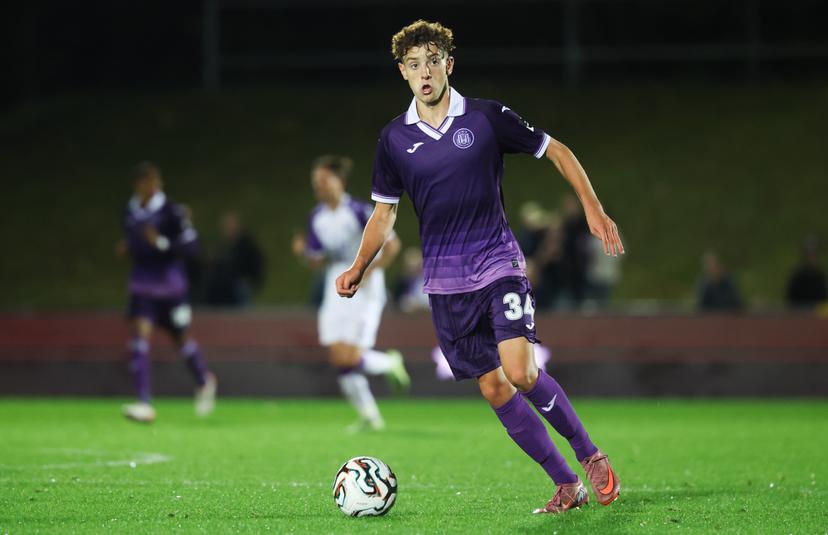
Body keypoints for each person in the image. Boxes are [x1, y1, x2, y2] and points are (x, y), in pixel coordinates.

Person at [336, 20, 624, 514]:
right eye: (413, 64)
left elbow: (557, 150)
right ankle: (566, 484)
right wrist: (360, 265)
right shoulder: (394, 139)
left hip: (498, 262)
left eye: (432, 61)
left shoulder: (487, 118)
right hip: (445, 284)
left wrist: (593, 207)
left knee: (520, 371)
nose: (423, 72)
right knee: (493, 387)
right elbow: (384, 213)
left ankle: (590, 455)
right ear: (402, 73)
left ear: (449, 64)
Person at [292, 155, 410, 432]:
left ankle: (388, 363)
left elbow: (392, 245)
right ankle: (369, 415)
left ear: (340, 181)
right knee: (338, 357)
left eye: (323, 180)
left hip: (366, 287)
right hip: (336, 286)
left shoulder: (358, 210)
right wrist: (302, 254)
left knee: (351, 355)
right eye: (315, 182)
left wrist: (366, 272)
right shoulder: (316, 218)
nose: (318, 186)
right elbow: (317, 259)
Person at [117, 162, 217, 423]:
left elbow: (192, 246)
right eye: (148, 182)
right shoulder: (130, 211)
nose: (154, 187)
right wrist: (129, 247)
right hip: (142, 284)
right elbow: (134, 240)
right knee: (140, 335)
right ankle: (144, 402)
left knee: (180, 338)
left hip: (170, 285)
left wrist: (160, 242)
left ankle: (204, 380)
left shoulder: (172, 211)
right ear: (139, 185)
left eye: (155, 182)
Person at [204, 210, 266, 307]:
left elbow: (255, 261)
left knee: (241, 312)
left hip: (240, 283)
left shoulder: (246, 243)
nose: (228, 229)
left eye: (230, 226)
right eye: (226, 226)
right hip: (225, 286)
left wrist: (253, 278)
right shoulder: (224, 245)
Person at [786, 236, 827, 309]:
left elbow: (823, 300)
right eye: (809, 254)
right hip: (799, 315)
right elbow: (791, 300)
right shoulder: (797, 277)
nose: (811, 258)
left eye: (813, 255)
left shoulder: (820, 277)